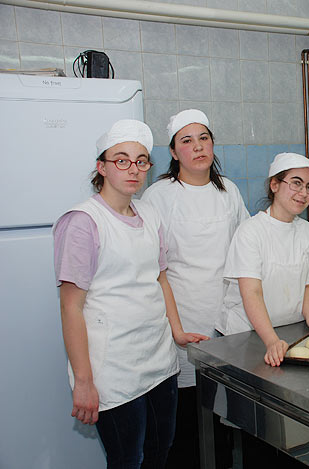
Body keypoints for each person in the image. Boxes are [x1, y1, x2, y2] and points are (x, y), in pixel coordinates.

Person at [53, 119, 208, 468]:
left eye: (141, 161)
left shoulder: (150, 214)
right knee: (127, 460)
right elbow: (71, 308)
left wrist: (178, 332)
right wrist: (83, 381)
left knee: (159, 452)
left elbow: (161, 279)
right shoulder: (83, 222)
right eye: (121, 160)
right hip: (113, 368)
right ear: (102, 167)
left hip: (159, 360)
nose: (133, 169)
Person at [141, 109, 249, 468]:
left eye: (204, 138)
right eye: (187, 141)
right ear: (174, 152)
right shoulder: (158, 196)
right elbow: (152, 266)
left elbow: (245, 250)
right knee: (185, 420)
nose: (198, 147)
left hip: (228, 319)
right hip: (181, 321)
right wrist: (175, 326)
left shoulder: (228, 190)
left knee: (223, 417)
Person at [217, 152, 309, 366]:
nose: (303, 193)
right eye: (296, 183)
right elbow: (251, 292)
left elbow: (308, 282)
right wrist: (271, 341)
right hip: (246, 334)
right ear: (275, 185)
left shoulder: (306, 230)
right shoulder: (251, 231)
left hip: (289, 330)